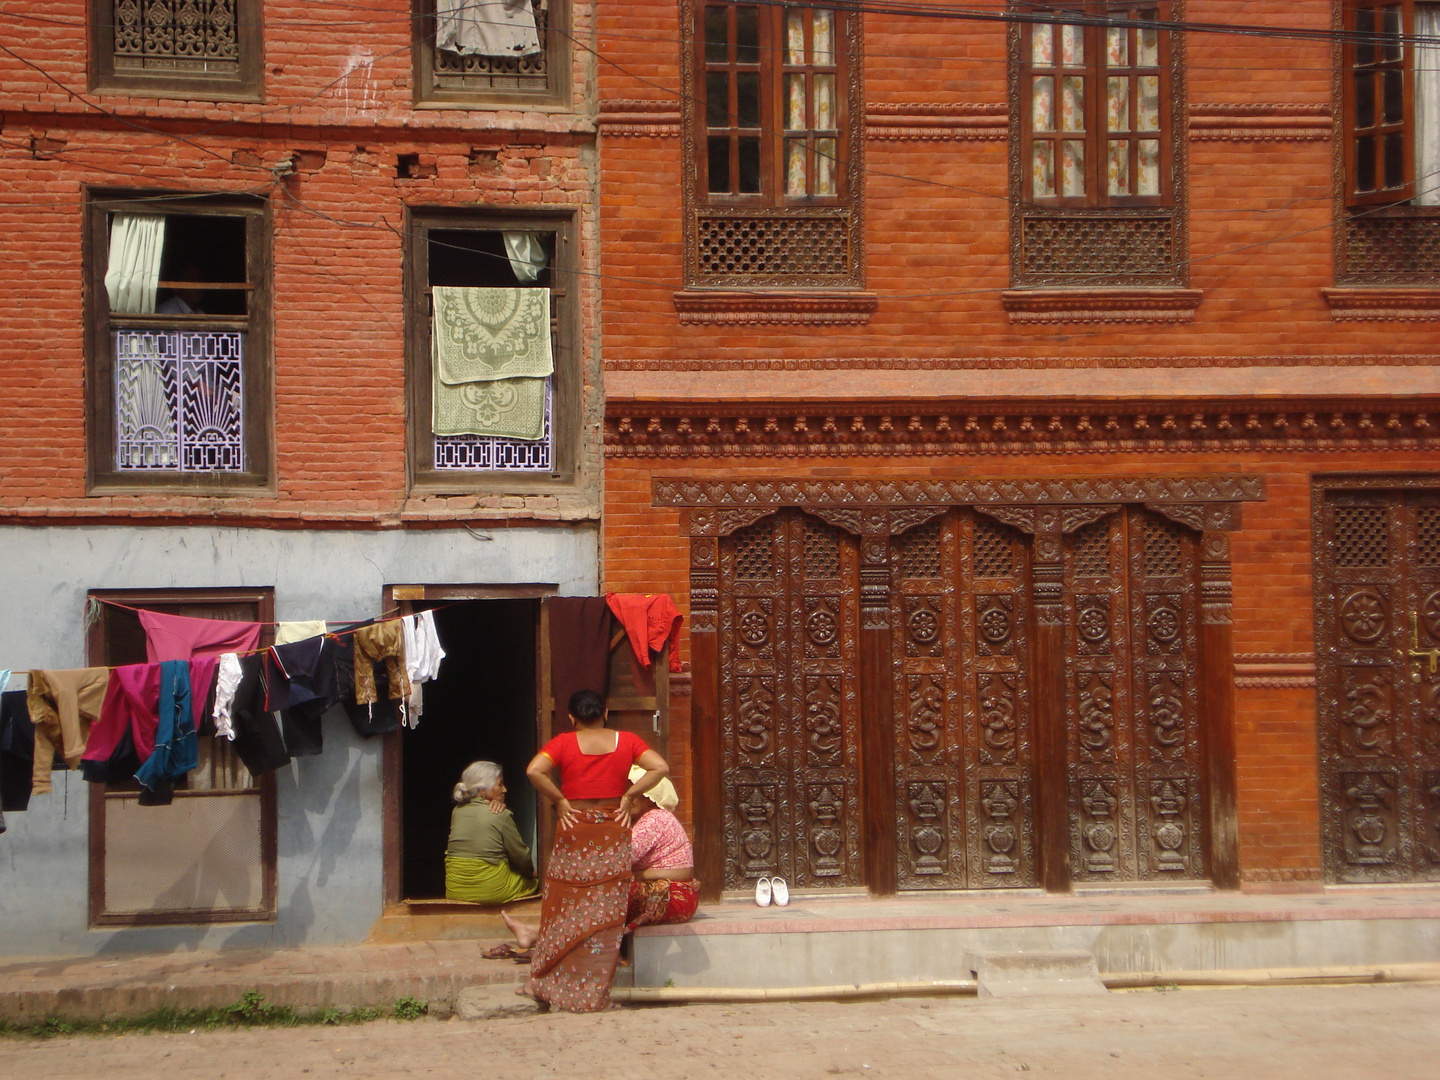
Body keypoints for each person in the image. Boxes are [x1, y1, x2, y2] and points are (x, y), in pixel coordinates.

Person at [515, 688, 669, 1012]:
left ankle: (542, 982)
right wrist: (629, 796)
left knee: (562, 906)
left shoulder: (563, 743)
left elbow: (533, 771)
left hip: (575, 827)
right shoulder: (627, 741)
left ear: (572, 718)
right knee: (606, 913)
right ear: (606, 712)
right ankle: (592, 993)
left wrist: (558, 800)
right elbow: (660, 767)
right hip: (613, 830)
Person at [445, 761, 539, 905]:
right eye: (500, 784)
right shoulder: (501, 815)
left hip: (456, 890)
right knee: (534, 882)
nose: (505, 789)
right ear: (483, 791)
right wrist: (529, 874)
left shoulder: (457, 811)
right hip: (492, 890)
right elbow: (521, 857)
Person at [623, 765, 699, 932]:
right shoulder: (640, 820)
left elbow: (620, 860)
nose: (628, 799)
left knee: (606, 894)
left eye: (635, 794)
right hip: (676, 896)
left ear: (650, 798)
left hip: (672, 898)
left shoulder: (654, 819)